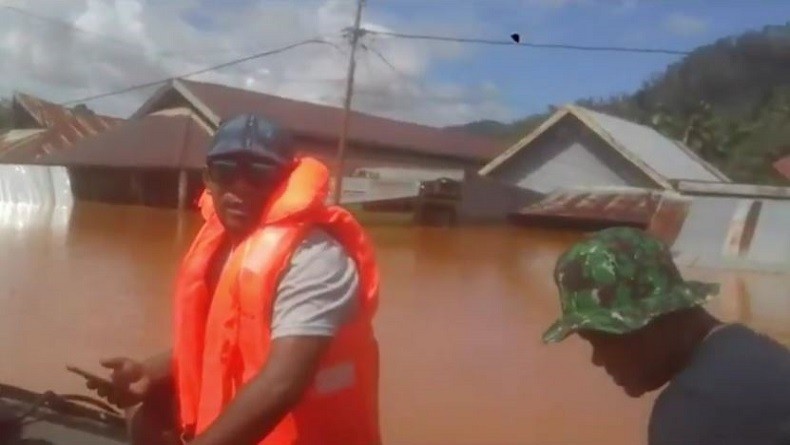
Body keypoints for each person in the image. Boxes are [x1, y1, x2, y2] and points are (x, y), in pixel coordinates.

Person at [89, 114, 381, 445]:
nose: (240, 187)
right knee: (150, 404)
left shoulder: (316, 259)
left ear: (284, 181)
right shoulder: (222, 244)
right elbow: (219, 341)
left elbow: (282, 382)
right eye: (226, 171)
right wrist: (149, 371)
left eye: (260, 174)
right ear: (209, 180)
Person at [542, 227, 790, 445]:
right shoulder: (757, 353)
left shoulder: (694, 410)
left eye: (604, 339)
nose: (597, 359)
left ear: (656, 318)